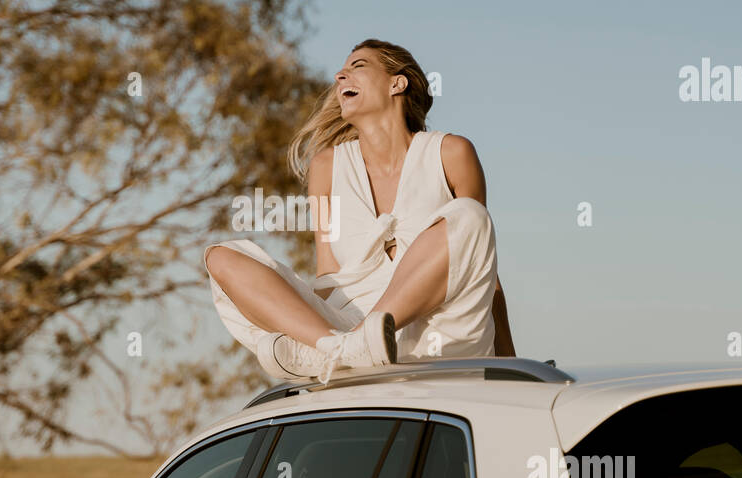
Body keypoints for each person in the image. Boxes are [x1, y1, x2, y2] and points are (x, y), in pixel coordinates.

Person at [204, 38, 516, 382]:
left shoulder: (451, 153)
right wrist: (321, 330)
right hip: (347, 332)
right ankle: (334, 349)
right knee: (221, 256)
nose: (340, 76)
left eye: (358, 66)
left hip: (441, 334)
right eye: (341, 70)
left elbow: (482, 268)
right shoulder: (327, 167)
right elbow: (328, 275)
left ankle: (344, 349)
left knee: (471, 217)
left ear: (397, 83)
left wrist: (512, 368)